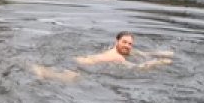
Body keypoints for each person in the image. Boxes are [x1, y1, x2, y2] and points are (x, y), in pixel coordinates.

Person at [32, 31, 172, 81]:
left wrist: (159, 54)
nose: (127, 46)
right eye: (124, 42)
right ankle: (42, 71)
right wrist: (158, 63)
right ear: (117, 41)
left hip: (80, 61)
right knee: (72, 78)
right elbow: (137, 68)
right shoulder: (117, 57)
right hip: (78, 64)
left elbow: (142, 53)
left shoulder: (124, 51)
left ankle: (43, 71)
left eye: (130, 44)